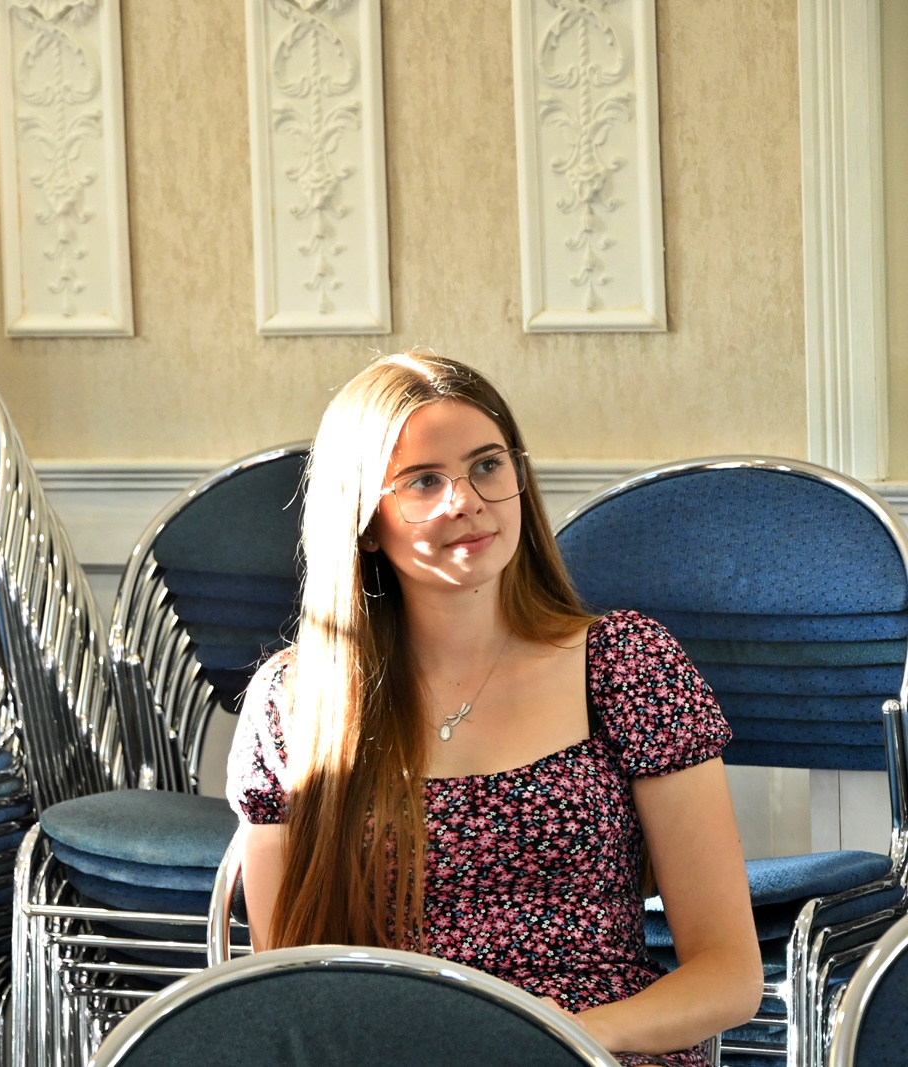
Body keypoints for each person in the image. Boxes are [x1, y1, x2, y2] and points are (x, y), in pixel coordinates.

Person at [226, 352, 761, 1066]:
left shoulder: (626, 662)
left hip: (597, 1048)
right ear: (364, 521)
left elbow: (728, 976)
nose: (466, 501)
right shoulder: (295, 702)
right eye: (423, 481)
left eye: (487, 465)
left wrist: (559, 1035)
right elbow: (287, 992)